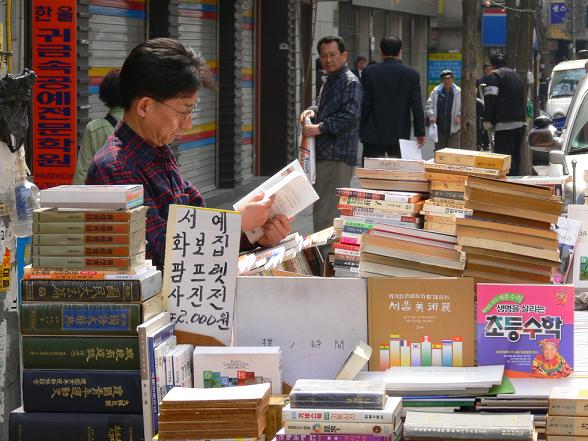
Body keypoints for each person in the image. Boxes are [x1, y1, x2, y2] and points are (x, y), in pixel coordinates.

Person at [86, 38, 291, 269]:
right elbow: (156, 255)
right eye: (184, 111)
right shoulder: (116, 166)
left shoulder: (159, 153)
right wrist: (235, 224)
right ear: (144, 107)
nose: (188, 124)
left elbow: (198, 222)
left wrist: (254, 234)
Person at [300, 35, 363, 232]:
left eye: (333, 54)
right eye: (324, 55)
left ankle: (325, 251)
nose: (328, 59)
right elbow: (325, 108)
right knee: (324, 209)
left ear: (344, 55)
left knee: (328, 213)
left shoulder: (350, 82)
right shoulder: (330, 80)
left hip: (337, 156)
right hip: (325, 154)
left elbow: (348, 115)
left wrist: (319, 128)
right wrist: (312, 111)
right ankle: (324, 250)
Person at [360, 35, 425, 162]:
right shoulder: (412, 74)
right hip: (400, 132)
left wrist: (362, 129)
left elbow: (365, 104)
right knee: (398, 172)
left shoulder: (369, 72)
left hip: (373, 131)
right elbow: (416, 105)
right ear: (400, 51)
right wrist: (420, 132)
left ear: (381, 52)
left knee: (371, 172)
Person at [73, 69, 124, 184]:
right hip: (135, 193)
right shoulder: (143, 126)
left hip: (101, 192)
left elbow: (82, 173)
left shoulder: (93, 128)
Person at [483, 52, 526, 175]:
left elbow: (490, 99)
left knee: (504, 160)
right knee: (515, 157)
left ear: (492, 64)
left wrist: (488, 120)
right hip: (520, 123)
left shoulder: (494, 75)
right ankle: (516, 182)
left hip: (504, 124)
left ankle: (506, 184)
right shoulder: (516, 75)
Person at [426, 70, 461, 150]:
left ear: (452, 79)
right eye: (444, 79)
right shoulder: (436, 91)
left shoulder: (459, 92)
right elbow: (429, 105)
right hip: (439, 130)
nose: (446, 81)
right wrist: (431, 115)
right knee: (439, 153)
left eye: (448, 78)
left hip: (454, 130)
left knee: (452, 154)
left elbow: (464, 107)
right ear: (441, 80)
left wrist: (459, 116)